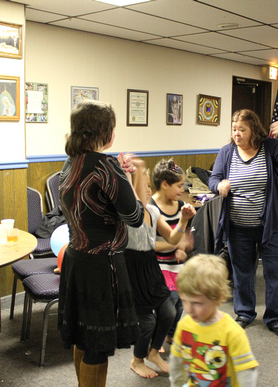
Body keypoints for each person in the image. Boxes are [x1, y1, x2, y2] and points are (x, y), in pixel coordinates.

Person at [58, 100, 146, 386]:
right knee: (96, 343)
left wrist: (119, 174)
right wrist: (130, 177)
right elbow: (134, 216)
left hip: (75, 258)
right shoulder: (106, 165)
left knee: (83, 336)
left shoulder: (70, 162)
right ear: (106, 133)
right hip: (102, 264)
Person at [208, 109, 278, 339]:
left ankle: (275, 318)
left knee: (276, 272)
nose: (236, 134)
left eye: (242, 129)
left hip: (271, 226)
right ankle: (245, 313)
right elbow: (213, 178)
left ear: (253, 131)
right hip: (238, 227)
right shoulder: (227, 152)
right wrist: (218, 186)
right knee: (243, 273)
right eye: (234, 129)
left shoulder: (270, 147)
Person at [125, 169, 196, 378]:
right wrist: (128, 173)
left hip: (150, 267)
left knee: (169, 312)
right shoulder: (127, 215)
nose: (148, 190)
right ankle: (137, 360)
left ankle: (154, 353)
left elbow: (173, 239)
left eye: (149, 186)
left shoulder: (153, 212)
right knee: (147, 322)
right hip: (132, 271)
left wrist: (183, 221)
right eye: (143, 186)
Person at [169, 254, 259, 387]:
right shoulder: (184, 326)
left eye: (197, 303)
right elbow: (177, 362)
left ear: (218, 298)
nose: (189, 309)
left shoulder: (232, 332)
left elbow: (247, 372)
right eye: (184, 301)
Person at [150, 158, 194, 344]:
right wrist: (174, 244)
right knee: (170, 301)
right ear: (165, 184)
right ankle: (157, 337)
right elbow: (149, 244)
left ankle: (170, 334)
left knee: (181, 300)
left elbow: (187, 235)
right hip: (158, 265)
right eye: (178, 186)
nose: (182, 190)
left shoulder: (180, 206)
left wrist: (183, 246)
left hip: (176, 265)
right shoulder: (151, 209)